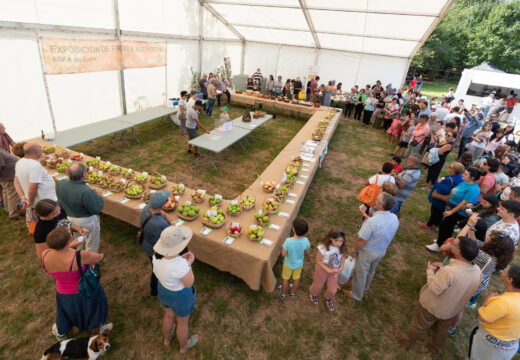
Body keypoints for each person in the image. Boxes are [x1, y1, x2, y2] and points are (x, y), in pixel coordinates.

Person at [396, 237, 481, 358]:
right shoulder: (477, 271)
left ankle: (405, 342)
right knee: (441, 331)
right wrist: (443, 270)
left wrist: (430, 272)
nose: (451, 243)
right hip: (451, 310)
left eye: (454, 243)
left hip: (432, 307)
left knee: (418, 325)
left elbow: (435, 288)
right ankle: (433, 350)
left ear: (458, 252)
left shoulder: (449, 272)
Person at [42, 226, 107, 341]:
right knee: (92, 311)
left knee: (65, 313)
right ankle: (94, 333)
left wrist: (69, 247)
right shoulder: (79, 255)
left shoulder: (45, 254)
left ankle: (61, 333)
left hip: (63, 291)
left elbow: (59, 253)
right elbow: (98, 258)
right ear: (68, 241)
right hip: (83, 290)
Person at [344, 193, 399, 302]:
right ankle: (365, 287)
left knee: (360, 273)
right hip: (381, 250)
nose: (375, 201)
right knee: (371, 270)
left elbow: (361, 240)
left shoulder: (372, 222)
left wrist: (354, 251)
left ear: (381, 206)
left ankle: (356, 295)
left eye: (377, 200)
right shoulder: (394, 218)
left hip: (368, 252)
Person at [153, 226, 199, 353]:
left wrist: (182, 259)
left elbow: (170, 266)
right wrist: (188, 263)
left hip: (164, 290)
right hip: (180, 296)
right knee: (182, 323)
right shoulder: (181, 265)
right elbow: (189, 283)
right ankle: (183, 347)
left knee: (168, 315)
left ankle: (167, 339)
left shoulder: (156, 256)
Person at [457, 218, 515, 309]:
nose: (487, 235)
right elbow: (474, 242)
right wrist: (472, 228)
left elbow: (459, 242)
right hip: (481, 280)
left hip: (472, 283)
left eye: (490, 236)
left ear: (494, 245)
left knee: (458, 299)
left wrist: (468, 225)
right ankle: (469, 302)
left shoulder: (486, 257)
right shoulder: (494, 254)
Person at [469, 264, 520, 360]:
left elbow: (483, 318)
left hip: (490, 346)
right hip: (509, 347)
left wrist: (487, 300)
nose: (501, 272)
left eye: (504, 271)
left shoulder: (503, 302)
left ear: (510, 280)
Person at [426, 168, 481, 252]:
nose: (463, 175)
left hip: (460, 212)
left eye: (466, 174)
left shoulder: (473, 189)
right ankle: (444, 241)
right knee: (447, 226)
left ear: (472, 178)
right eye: (464, 173)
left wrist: (451, 212)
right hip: (453, 208)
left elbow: (463, 203)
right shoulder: (464, 182)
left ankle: (439, 245)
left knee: (444, 225)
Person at [56, 162, 104, 252]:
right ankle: (90, 262)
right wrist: (98, 196)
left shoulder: (61, 183)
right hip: (86, 220)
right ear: (84, 175)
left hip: (70, 217)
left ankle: (77, 253)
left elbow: (61, 198)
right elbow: (96, 209)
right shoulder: (85, 191)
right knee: (91, 242)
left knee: (77, 238)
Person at [14, 143, 57, 229]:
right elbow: (33, 187)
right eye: (40, 147)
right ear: (36, 152)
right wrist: (30, 201)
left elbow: (16, 181)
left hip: (37, 202)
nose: (42, 149)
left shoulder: (20, 162)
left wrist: (23, 197)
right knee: (51, 224)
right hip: (46, 202)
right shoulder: (34, 166)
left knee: (42, 223)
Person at [140, 191, 171, 298]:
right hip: (155, 249)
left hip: (147, 242)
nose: (168, 201)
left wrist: (166, 217)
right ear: (162, 205)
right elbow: (169, 235)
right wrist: (171, 225)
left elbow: (161, 213)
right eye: (166, 200)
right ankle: (154, 291)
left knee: (156, 267)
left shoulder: (146, 208)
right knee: (156, 270)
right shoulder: (160, 224)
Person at [308, 228, 346, 311]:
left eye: (341, 241)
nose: (339, 243)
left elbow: (343, 257)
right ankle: (313, 293)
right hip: (322, 270)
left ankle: (328, 298)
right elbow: (318, 260)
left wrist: (341, 267)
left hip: (334, 271)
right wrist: (328, 270)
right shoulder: (324, 247)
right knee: (318, 285)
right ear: (331, 238)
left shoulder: (341, 247)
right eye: (336, 241)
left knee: (333, 290)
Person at [420, 162, 465, 231]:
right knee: (441, 213)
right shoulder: (460, 177)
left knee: (434, 211)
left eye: (450, 167)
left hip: (440, 198)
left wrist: (439, 182)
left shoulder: (449, 179)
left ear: (454, 170)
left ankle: (429, 225)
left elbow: (443, 190)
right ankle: (436, 225)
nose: (449, 167)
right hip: (449, 199)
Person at [278, 218, 310, 299]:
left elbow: (283, 254)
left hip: (288, 264)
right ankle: (292, 292)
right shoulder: (306, 241)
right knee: (296, 278)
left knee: (285, 278)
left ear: (294, 229)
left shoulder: (288, 241)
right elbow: (307, 252)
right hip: (299, 264)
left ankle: (283, 293)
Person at [0, 149, 21, 219]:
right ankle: (14, 214)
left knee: (6, 192)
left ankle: (8, 210)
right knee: (13, 194)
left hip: (6, 176)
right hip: (8, 177)